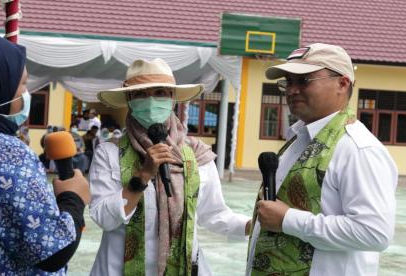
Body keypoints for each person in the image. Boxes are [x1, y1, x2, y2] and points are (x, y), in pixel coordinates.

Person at [0, 32, 90, 275]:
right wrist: (74, 198)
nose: (26, 93)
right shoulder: (1, 152)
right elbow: (52, 253)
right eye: (21, 83)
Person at [245, 43, 397, 276]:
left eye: (304, 80)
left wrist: (288, 219)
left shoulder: (358, 149)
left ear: (342, 83)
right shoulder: (300, 140)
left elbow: (374, 232)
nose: (292, 90)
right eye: (289, 81)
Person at [89, 58, 252, 276]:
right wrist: (142, 177)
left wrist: (253, 225)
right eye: (140, 94)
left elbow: (213, 214)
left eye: (160, 93)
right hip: (118, 269)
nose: (151, 101)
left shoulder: (196, 154)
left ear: (172, 98)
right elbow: (103, 218)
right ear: (129, 99)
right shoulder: (109, 152)